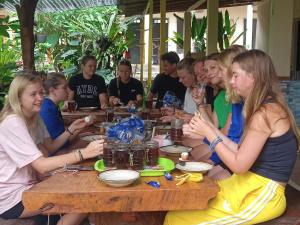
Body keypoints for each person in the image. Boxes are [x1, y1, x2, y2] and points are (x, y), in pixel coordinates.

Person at [165, 49, 299, 225]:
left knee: (178, 220)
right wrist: (209, 131)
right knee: (178, 209)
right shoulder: (260, 108)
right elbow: (239, 150)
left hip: (261, 194)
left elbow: (239, 165)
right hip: (246, 184)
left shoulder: (266, 113)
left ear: (253, 77)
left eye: (235, 75)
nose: (231, 81)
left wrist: (210, 133)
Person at [0, 72, 104, 225]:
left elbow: (48, 151)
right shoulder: (13, 121)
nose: (40, 98)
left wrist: (72, 130)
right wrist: (84, 153)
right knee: (86, 201)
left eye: (41, 92)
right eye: (33, 94)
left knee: (86, 190)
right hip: (13, 198)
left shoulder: (33, 118)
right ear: (19, 97)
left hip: (31, 186)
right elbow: (41, 165)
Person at [40, 72, 91, 155]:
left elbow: (64, 139)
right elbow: (56, 148)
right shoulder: (48, 110)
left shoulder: (51, 105)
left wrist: (81, 126)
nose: (69, 90)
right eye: (64, 87)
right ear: (52, 90)